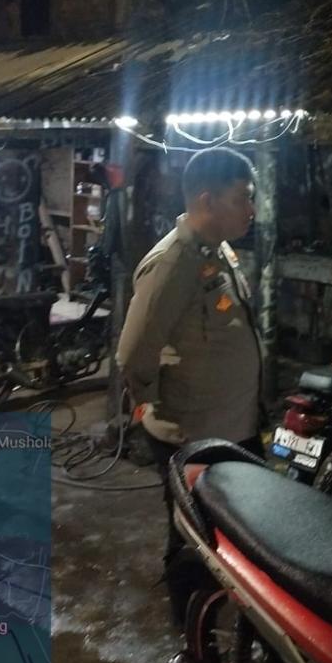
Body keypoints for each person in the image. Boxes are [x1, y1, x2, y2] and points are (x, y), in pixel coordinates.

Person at [116, 148, 262, 613]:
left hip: (232, 423)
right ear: (206, 201)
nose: (251, 210)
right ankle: (190, 628)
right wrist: (149, 411)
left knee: (233, 531)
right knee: (194, 538)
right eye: (242, 199)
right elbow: (133, 352)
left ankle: (220, 614)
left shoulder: (217, 250)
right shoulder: (172, 263)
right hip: (194, 431)